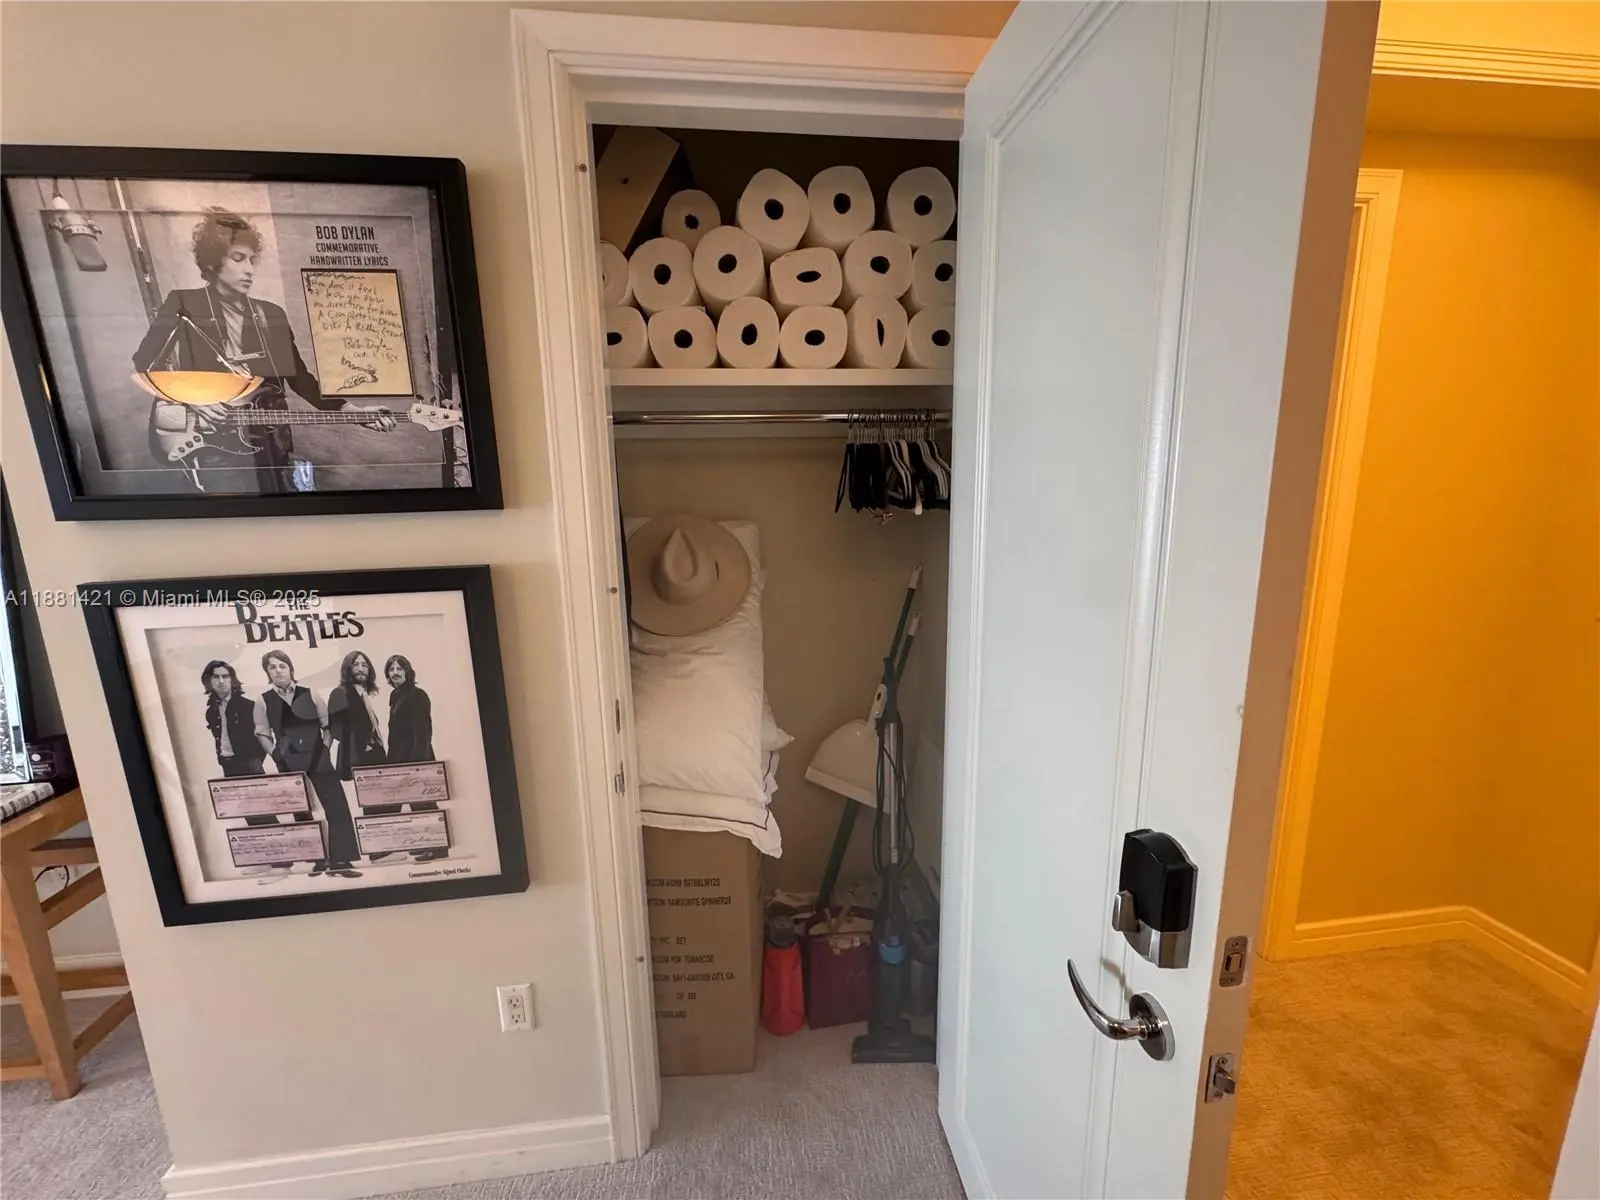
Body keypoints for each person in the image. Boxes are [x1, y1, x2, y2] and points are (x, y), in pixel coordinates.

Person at [133, 207, 396, 493]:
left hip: (270, 441)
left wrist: (349, 409)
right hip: (213, 443)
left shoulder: (271, 314)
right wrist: (193, 400)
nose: (249, 269)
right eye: (238, 258)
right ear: (213, 262)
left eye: (252, 260)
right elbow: (145, 361)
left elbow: (299, 378)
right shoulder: (183, 303)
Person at [259, 650, 361, 879]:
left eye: (282, 665)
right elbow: (262, 733)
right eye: (272, 667)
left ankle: (340, 861)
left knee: (336, 806)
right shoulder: (263, 700)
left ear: (290, 668)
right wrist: (276, 755)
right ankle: (318, 860)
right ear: (267, 672)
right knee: (301, 811)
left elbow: (327, 727)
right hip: (288, 761)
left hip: (318, 758)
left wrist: (324, 749)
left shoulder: (310, 693)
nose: (278, 670)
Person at [202, 659, 305, 878]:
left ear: (232, 679)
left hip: (248, 764)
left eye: (225, 676)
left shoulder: (247, 706)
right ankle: (265, 860)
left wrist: (255, 760)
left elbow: (262, 734)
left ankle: (283, 861)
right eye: (216, 677)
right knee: (247, 813)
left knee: (263, 812)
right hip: (228, 765)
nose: (221, 681)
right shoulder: (211, 710)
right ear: (209, 681)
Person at [377, 654, 447, 863]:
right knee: (417, 806)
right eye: (391, 669)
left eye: (399, 668)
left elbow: (423, 732)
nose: (395, 672)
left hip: (416, 759)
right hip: (399, 759)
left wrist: (418, 766)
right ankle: (427, 844)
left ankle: (439, 848)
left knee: (425, 805)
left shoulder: (417, 695)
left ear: (408, 672)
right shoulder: (396, 695)